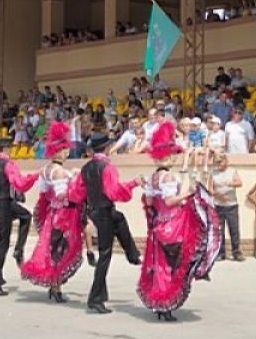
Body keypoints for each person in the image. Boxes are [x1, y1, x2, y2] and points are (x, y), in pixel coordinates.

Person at [69, 132, 143, 314]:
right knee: (105, 254)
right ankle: (95, 298)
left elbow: (76, 193)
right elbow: (113, 191)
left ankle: (132, 254)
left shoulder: (86, 168)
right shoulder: (107, 167)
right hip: (104, 210)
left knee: (119, 219)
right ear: (108, 148)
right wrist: (134, 183)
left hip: (96, 210)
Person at [137, 167, 220, 322]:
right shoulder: (168, 177)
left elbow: (149, 202)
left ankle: (161, 306)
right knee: (177, 264)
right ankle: (167, 304)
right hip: (174, 226)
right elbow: (169, 202)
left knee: (162, 268)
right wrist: (188, 193)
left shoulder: (152, 179)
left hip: (159, 227)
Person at [21, 123, 88, 303]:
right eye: (65, 149)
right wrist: (76, 180)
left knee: (54, 249)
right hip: (63, 215)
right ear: (58, 151)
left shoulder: (46, 170)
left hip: (54, 214)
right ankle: (56, 287)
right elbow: (61, 195)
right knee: (61, 249)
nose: (67, 153)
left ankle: (55, 286)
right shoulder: (58, 171)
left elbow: (44, 194)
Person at [0, 141, 39, 296]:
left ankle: (17, 251)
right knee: (3, 243)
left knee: (25, 216)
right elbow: (19, 183)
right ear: (5, 149)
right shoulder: (8, 165)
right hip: (5, 203)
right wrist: (35, 176)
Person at [209, 153, 244, 262]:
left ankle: (237, 252)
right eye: (217, 162)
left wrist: (230, 184)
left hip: (231, 205)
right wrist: (216, 194)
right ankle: (221, 253)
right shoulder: (213, 173)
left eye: (220, 162)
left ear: (226, 162)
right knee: (219, 231)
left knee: (234, 229)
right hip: (218, 205)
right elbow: (210, 188)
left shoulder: (232, 171)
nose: (218, 164)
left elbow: (239, 183)